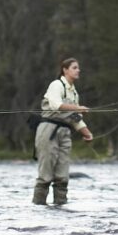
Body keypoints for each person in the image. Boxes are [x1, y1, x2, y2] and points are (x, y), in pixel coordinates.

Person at [32, 57, 93, 206]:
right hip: (48, 130)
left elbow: (75, 118)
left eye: (78, 68)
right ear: (65, 70)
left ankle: (61, 209)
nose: (78, 70)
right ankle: (38, 209)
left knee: (62, 176)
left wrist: (87, 133)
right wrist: (78, 108)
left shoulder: (74, 93)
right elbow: (56, 105)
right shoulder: (56, 85)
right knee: (45, 175)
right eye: (74, 67)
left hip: (65, 132)